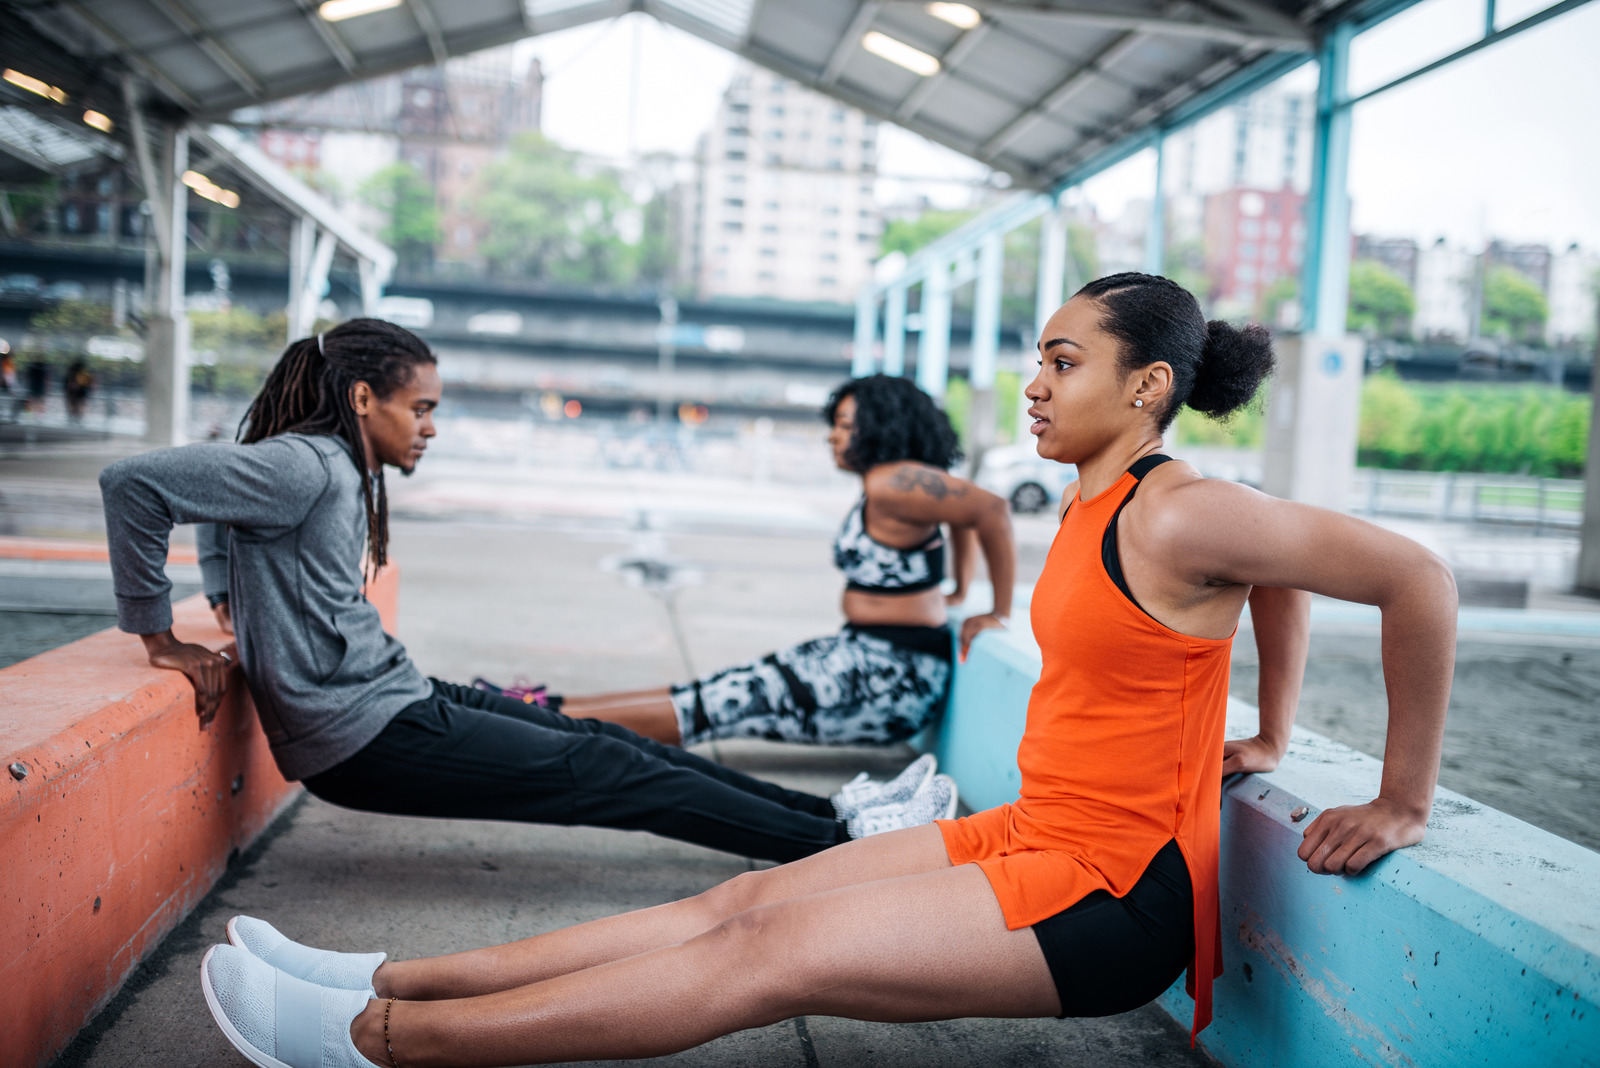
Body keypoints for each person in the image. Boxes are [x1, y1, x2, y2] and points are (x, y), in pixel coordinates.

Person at [197, 274, 1458, 1068]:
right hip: (1032, 836)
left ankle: (379, 1043)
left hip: (1106, 900)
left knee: (768, 964)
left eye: (1063, 363)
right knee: (739, 906)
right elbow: (1275, 577)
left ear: (1147, 385)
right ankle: (389, 980)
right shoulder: (1099, 500)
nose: (1033, 381)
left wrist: (1399, 797)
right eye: (1039, 356)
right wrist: (1272, 730)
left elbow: (1412, 579)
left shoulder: (1180, 511)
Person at [100, 318, 955, 873]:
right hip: (364, 740)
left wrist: (222, 593)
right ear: (364, 399)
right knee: (616, 773)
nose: (431, 427)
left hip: (395, 699)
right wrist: (158, 635)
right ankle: (840, 846)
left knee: (606, 739)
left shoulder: (310, 463)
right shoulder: (306, 464)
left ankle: (837, 812)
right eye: (420, 408)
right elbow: (137, 484)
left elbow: (212, 497)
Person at [542, 374, 1015, 751]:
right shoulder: (897, 482)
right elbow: (962, 516)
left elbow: (989, 510)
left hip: (888, 676)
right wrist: (957, 586)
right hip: (863, 655)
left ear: (884, 427)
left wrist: (998, 608)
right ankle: (546, 708)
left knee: (712, 704)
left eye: (848, 426)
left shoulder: (892, 481)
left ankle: (542, 721)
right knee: (709, 692)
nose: (833, 437)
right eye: (836, 423)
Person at [65, 357, 93, 422]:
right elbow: (89, 382)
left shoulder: (72, 371)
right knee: (81, 403)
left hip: (74, 391)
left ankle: (73, 416)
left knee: (73, 403)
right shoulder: (84, 372)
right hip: (83, 390)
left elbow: (69, 382)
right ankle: (79, 417)